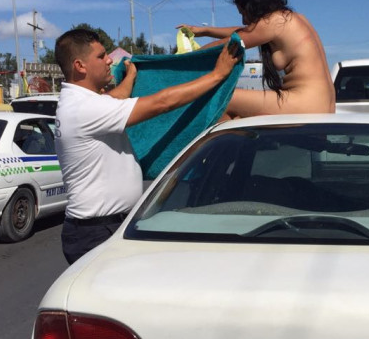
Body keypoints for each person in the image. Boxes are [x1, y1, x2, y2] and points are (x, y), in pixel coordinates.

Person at [54, 28, 240, 264]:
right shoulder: (85, 109)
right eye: (101, 56)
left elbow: (117, 98)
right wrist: (217, 75)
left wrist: (130, 77)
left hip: (103, 226)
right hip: (96, 231)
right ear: (80, 66)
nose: (109, 60)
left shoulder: (81, 102)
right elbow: (163, 103)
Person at [179, 0, 334, 119]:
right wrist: (205, 31)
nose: (244, 20)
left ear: (253, 7)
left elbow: (229, 43)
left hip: (306, 105)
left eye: (243, 13)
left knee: (222, 98)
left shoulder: (275, 22)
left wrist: (185, 58)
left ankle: (217, 149)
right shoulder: (292, 18)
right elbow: (244, 32)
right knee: (237, 116)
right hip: (324, 106)